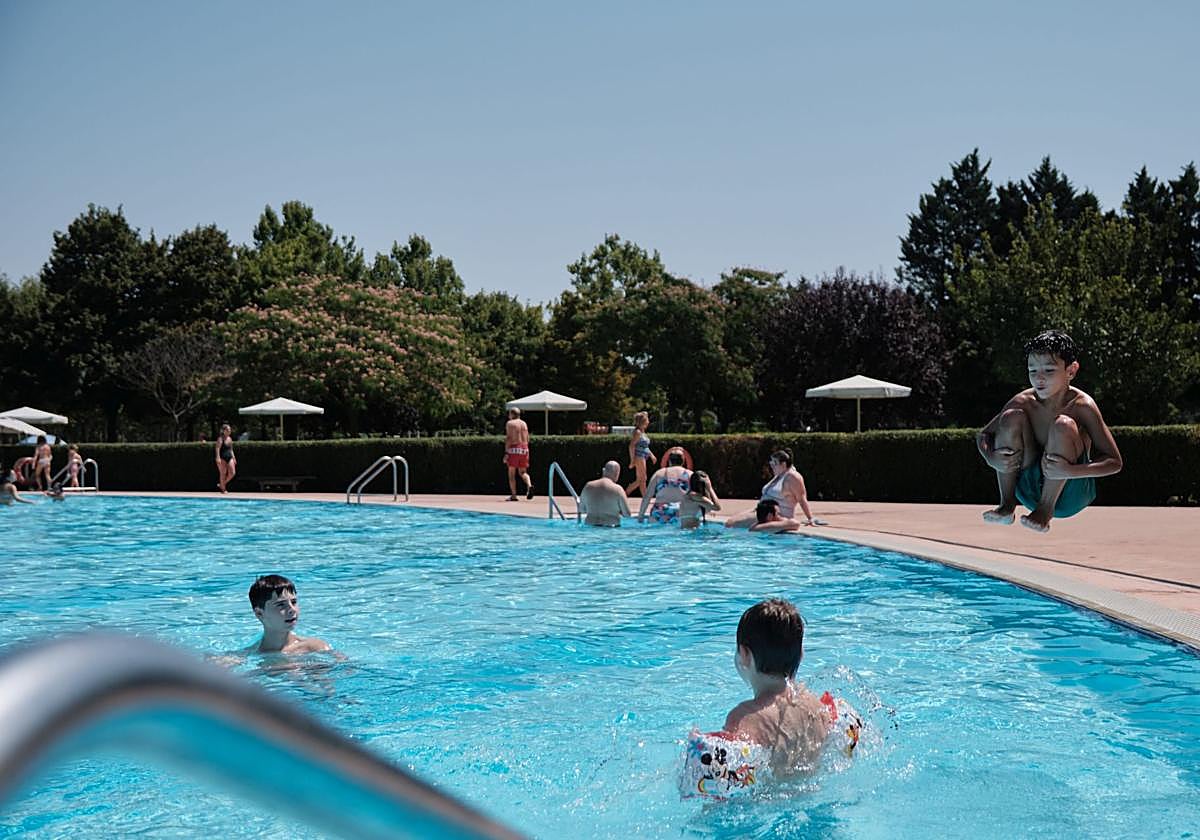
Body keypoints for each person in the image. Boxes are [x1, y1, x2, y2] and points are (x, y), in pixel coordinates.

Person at [977, 330, 1123, 533]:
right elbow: (984, 435)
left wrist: (1070, 471)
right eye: (1032, 371)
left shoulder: (1082, 406)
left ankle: (1045, 511)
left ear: (1071, 371)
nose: (1039, 378)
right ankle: (1006, 505)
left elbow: (1114, 462)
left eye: (1049, 370)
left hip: (1071, 492)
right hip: (1027, 489)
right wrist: (990, 457)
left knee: (1063, 425)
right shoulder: (1024, 401)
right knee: (1011, 417)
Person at [718, 599, 833, 777]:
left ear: (744, 654)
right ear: (801, 654)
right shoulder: (818, 708)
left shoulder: (744, 719)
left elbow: (725, 779)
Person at [725, 449, 818, 529]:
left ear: (784, 464)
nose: (772, 466)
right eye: (771, 463)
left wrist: (810, 518)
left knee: (731, 524)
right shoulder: (779, 475)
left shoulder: (793, 477)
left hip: (775, 516)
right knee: (729, 522)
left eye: (775, 463)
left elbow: (802, 498)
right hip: (760, 511)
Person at [247, 574, 331, 654]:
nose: (292, 609)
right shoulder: (247, 656)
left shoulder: (316, 648)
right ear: (259, 613)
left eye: (294, 602)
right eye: (281, 605)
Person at [637, 449, 691, 524]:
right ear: (683, 461)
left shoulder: (659, 473)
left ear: (669, 461)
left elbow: (647, 496)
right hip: (680, 511)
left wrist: (640, 516)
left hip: (660, 511)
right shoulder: (690, 474)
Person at [579, 461, 631, 527]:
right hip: (610, 528)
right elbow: (627, 514)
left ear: (603, 471)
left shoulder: (588, 486)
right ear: (617, 473)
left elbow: (582, 509)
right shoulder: (618, 489)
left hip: (590, 527)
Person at [503, 407, 534, 501]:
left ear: (512, 414)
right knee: (523, 472)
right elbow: (528, 438)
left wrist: (506, 452)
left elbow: (509, 438)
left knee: (511, 473)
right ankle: (529, 485)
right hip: (524, 448)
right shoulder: (524, 423)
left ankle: (514, 495)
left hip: (514, 448)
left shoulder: (510, 423)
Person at [624, 411, 656, 497]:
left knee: (642, 479)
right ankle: (626, 492)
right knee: (641, 479)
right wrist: (632, 460)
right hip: (639, 457)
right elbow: (631, 446)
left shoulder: (642, 432)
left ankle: (645, 497)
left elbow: (644, 447)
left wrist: (651, 455)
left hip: (642, 457)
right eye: (647, 420)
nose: (648, 422)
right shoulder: (638, 432)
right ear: (643, 421)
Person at [215, 423, 237, 494]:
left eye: (230, 429)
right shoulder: (220, 439)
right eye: (228, 429)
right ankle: (223, 489)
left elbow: (231, 449)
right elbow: (217, 448)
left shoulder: (230, 439)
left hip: (229, 456)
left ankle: (222, 484)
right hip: (222, 457)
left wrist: (234, 458)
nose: (229, 431)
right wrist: (218, 457)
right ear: (224, 431)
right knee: (223, 473)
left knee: (232, 473)